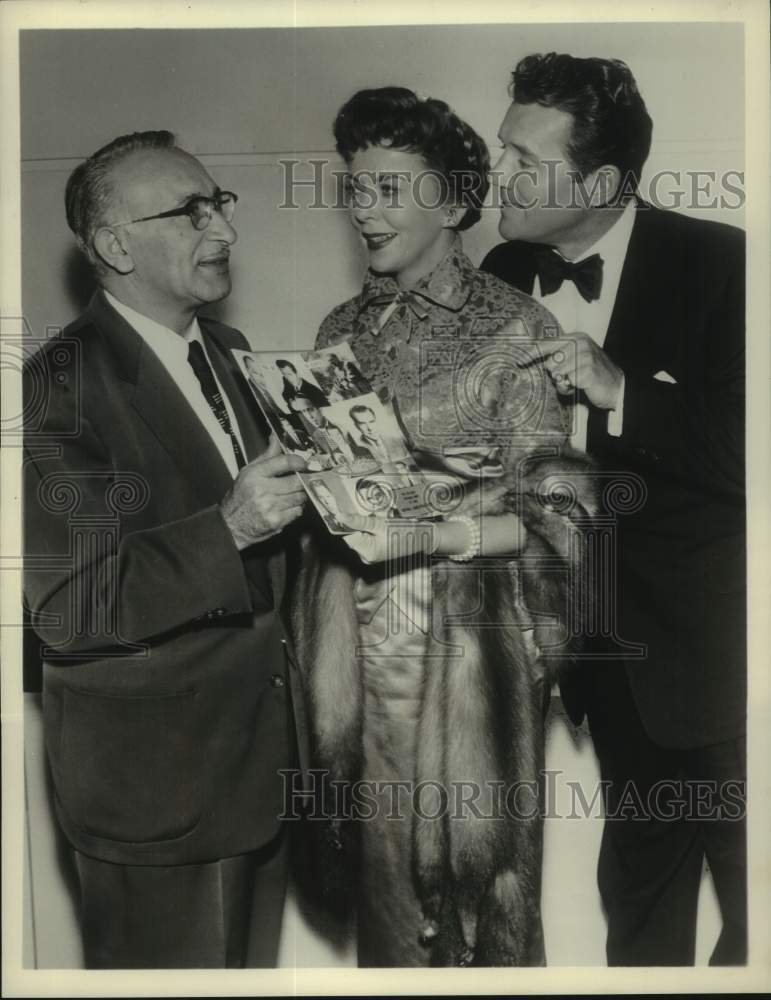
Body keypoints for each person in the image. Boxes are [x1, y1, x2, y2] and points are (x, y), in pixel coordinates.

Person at [288, 87, 597, 967]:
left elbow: (557, 528)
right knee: (384, 909)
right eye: (354, 188)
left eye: (387, 188)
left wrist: (439, 534)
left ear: (456, 202)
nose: (362, 209)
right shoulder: (338, 328)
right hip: (349, 657)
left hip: (466, 665)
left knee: (475, 910)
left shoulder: (515, 330)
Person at [481, 53, 746, 966]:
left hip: (725, 668)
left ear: (597, 182)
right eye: (499, 150)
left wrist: (623, 389)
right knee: (639, 926)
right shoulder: (503, 268)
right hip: (602, 661)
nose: (497, 175)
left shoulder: (724, 264)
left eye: (521, 159)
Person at [23, 130, 308, 969]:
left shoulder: (233, 354)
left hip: (259, 774)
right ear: (113, 245)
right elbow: (68, 609)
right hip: (158, 793)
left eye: (219, 204)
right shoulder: (55, 388)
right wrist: (230, 527)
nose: (221, 229)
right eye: (190, 212)